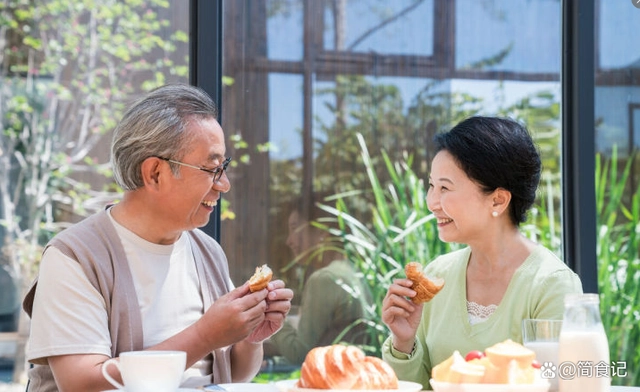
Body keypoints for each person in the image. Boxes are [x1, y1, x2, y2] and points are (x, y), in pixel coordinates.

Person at [22, 84, 293, 391]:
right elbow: (83, 383)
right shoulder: (74, 256)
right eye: (213, 168)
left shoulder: (207, 252)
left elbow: (232, 374)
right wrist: (206, 335)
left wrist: (250, 338)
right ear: (154, 173)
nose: (225, 184)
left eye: (224, 167)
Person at [380, 116, 583, 390]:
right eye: (431, 186)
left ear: (498, 199)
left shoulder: (552, 285)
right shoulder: (438, 276)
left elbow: (563, 386)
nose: (431, 202)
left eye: (445, 188)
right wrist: (403, 343)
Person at [264, 194, 372, 366]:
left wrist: (271, 311)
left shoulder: (324, 279)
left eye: (294, 228)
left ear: (322, 232)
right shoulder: (354, 271)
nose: (288, 240)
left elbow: (299, 353)